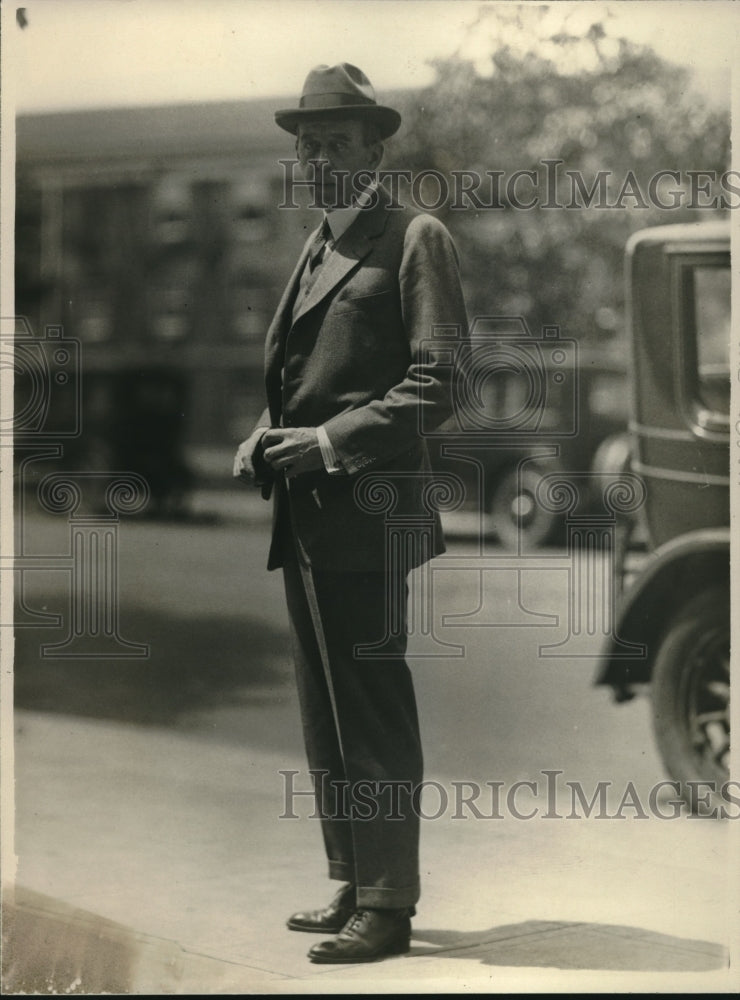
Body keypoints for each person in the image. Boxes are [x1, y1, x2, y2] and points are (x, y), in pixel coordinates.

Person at [233, 63, 468, 964]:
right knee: (323, 707)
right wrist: (266, 434)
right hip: (305, 517)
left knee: (369, 707)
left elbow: (440, 381)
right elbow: (299, 381)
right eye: (305, 143)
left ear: (376, 147)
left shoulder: (414, 239)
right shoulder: (317, 246)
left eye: (335, 142)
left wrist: (329, 443)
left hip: (367, 510)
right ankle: (351, 875)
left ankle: (390, 903)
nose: (315, 156)